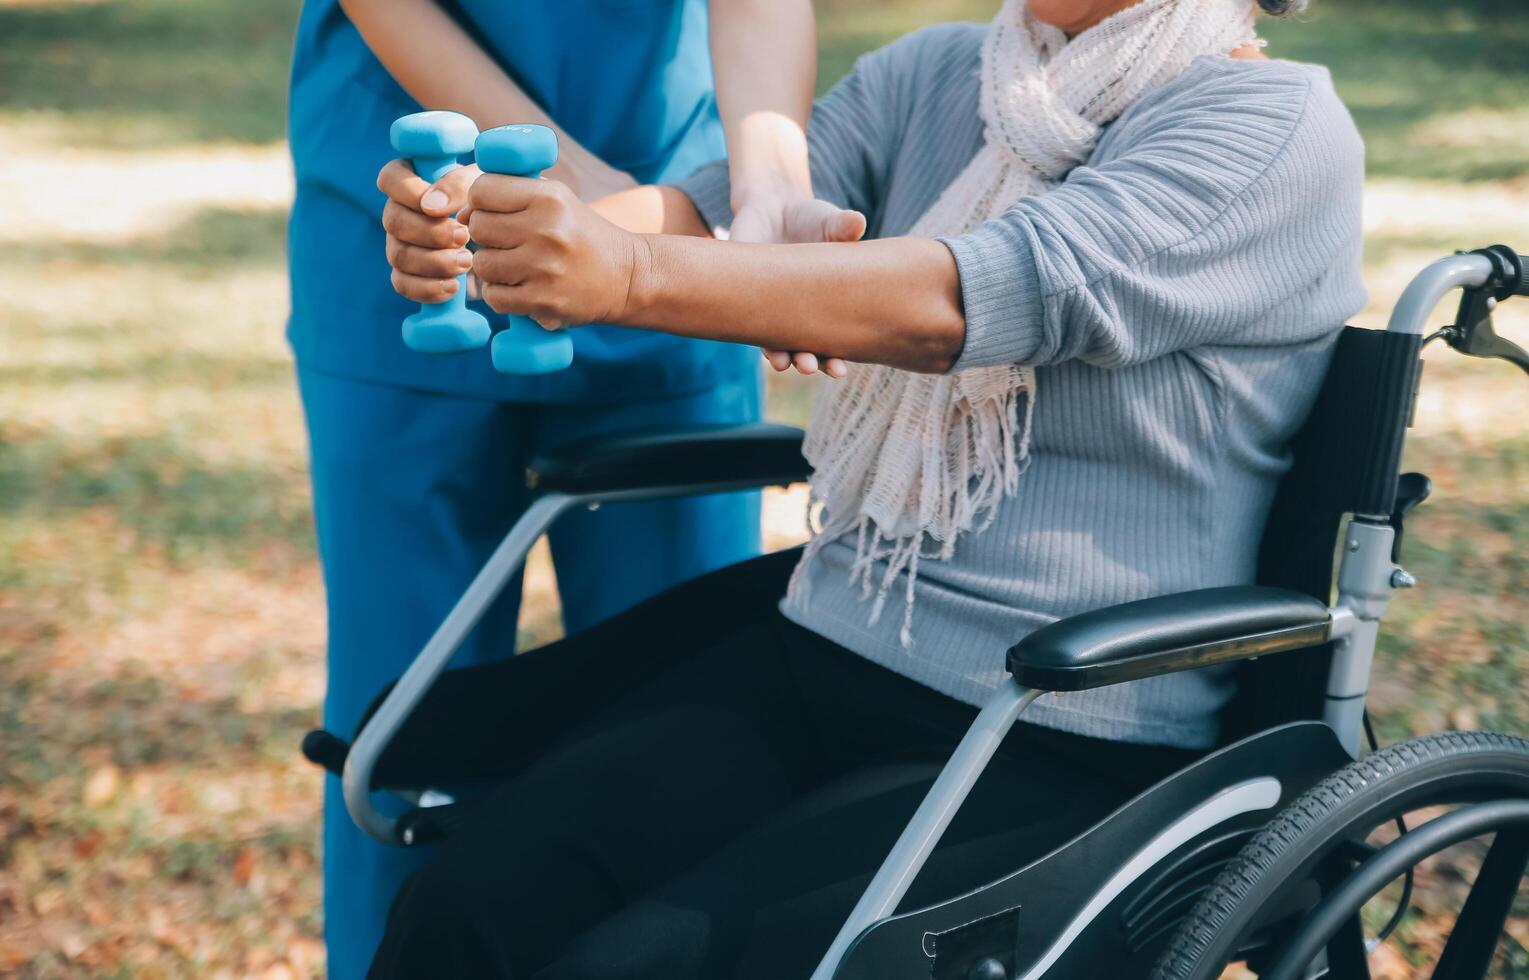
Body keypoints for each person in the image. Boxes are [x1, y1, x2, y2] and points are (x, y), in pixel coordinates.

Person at [367, 0, 1366, 975]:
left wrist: (624, 271)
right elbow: (713, 222)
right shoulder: (934, 73)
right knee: (467, 908)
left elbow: (963, 295)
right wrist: (486, 231)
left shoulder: (1271, 126)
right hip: (828, 644)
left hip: (1058, 723)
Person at [285, 0, 824, 974]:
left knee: (684, 724)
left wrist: (764, 187)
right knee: (402, 731)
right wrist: (572, 182)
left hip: (668, 235)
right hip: (415, 244)